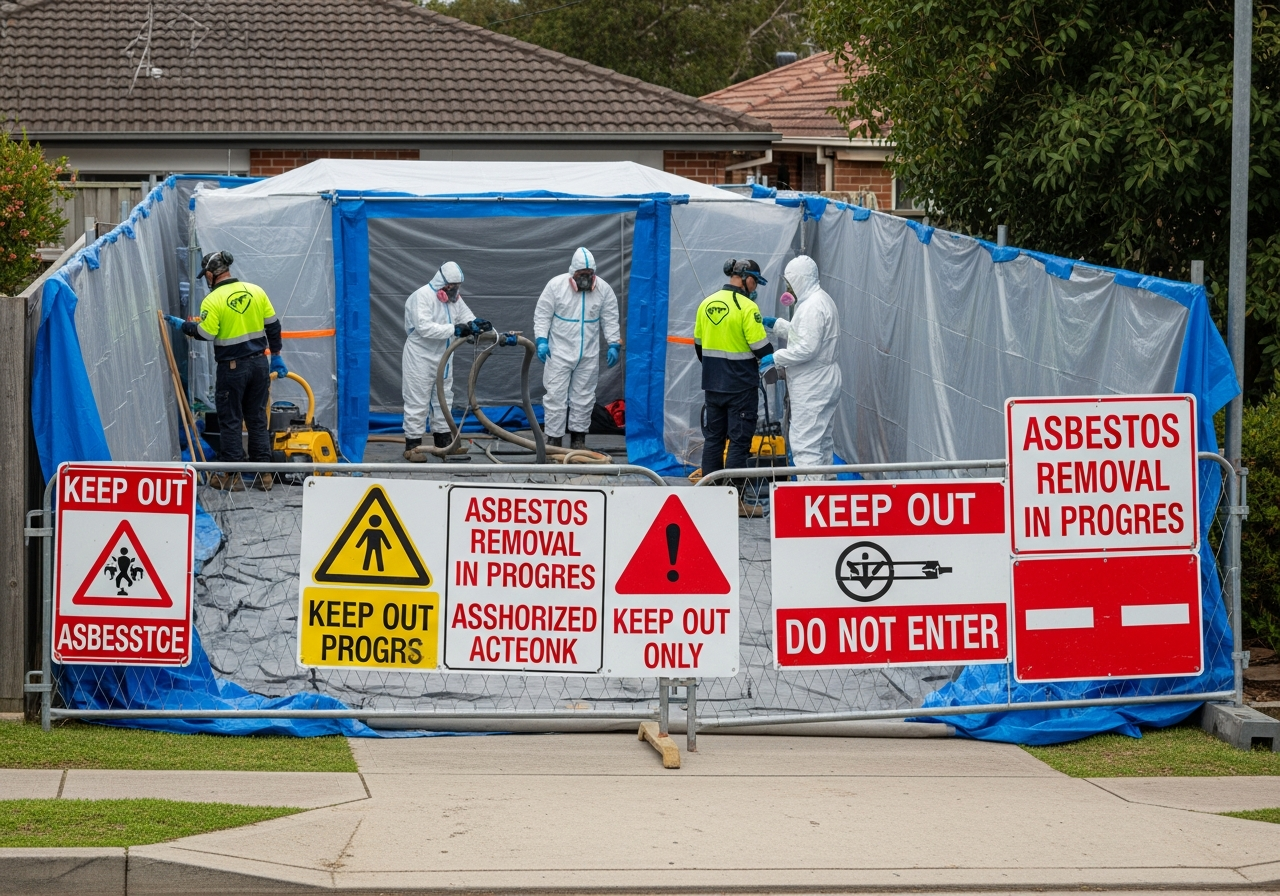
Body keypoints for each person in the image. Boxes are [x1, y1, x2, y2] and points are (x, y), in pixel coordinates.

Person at [166, 251, 285, 491]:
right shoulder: (255, 290)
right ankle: (265, 476)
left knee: (230, 420)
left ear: (211, 274)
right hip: (259, 365)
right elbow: (273, 326)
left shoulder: (213, 300)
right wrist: (277, 356)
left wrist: (185, 327)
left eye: (206, 275)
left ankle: (233, 476)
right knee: (257, 418)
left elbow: (206, 334)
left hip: (233, 368)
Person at [694, 259, 774, 514]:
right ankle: (733, 502)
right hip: (740, 387)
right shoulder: (747, 308)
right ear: (744, 277)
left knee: (714, 440)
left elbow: (699, 345)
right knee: (739, 443)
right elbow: (761, 349)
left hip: (713, 385)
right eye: (755, 281)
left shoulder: (706, 303)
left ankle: (710, 499)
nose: (755, 287)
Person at [400, 262, 493, 461]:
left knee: (444, 400)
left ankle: (443, 444)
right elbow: (424, 327)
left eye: (458, 286)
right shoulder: (422, 296)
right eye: (453, 286)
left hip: (444, 356)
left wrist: (477, 324)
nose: (455, 290)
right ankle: (413, 447)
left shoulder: (453, 299)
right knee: (418, 401)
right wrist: (455, 329)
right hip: (420, 356)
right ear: (442, 283)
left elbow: (467, 316)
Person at [761, 255, 842, 478]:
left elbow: (807, 348)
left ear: (800, 279)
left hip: (813, 384)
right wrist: (777, 326)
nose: (789, 289)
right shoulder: (818, 300)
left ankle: (811, 499)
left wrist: (775, 358)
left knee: (806, 444)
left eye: (790, 283)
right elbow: (804, 335)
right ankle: (826, 494)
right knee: (822, 442)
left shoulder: (812, 307)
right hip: (822, 380)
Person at [533, 247, 621, 451]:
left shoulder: (603, 289)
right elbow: (543, 314)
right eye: (581, 275)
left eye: (589, 275)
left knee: (584, 397)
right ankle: (554, 440)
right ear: (573, 272)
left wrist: (614, 343)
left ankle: (578, 439)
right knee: (555, 396)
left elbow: (610, 318)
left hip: (588, 354)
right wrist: (541, 340)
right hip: (559, 352)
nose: (586, 279)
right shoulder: (556, 286)